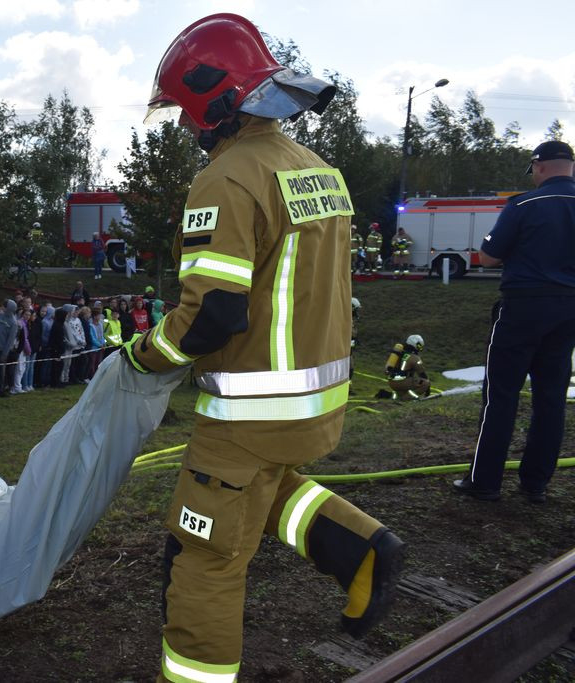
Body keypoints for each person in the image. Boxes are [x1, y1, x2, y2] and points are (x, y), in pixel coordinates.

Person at [130, 15, 404, 681]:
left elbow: (209, 316)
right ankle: (362, 550)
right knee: (266, 489)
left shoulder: (228, 177)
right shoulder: (317, 171)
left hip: (251, 411)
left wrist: (142, 355)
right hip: (313, 404)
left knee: (204, 556)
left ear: (211, 101)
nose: (190, 130)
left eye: (187, 114)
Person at [454, 140, 575, 504]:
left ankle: (485, 482)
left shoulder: (523, 204)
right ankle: (535, 483)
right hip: (569, 310)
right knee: (551, 398)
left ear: (538, 167)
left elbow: (488, 257)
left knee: (501, 395)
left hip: (523, 307)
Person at [380, 335, 430, 401]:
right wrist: (428, 387)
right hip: (403, 382)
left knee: (404, 388)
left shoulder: (398, 353)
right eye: (419, 346)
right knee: (425, 382)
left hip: (392, 382)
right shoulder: (414, 357)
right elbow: (422, 373)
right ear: (414, 344)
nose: (420, 349)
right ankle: (406, 398)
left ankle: (396, 396)